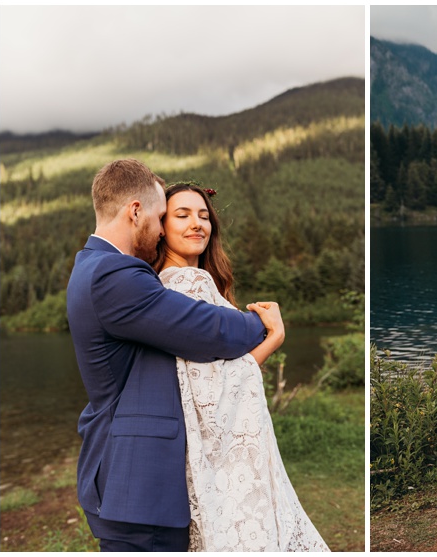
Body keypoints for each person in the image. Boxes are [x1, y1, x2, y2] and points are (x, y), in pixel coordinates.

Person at [67, 159, 278, 551]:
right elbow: (208, 330)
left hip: (137, 483)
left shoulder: (98, 266)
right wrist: (261, 324)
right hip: (137, 485)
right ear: (135, 211)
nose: (164, 227)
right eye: (164, 215)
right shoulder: (115, 276)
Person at [152, 183, 329, 551]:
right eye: (181, 215)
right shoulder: (186, 282)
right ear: (161, 226)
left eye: (203, 216)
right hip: (225, 453)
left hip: (215, 443)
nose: (196, 224)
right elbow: (208, 382)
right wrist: (273, 339)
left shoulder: (179, 284)